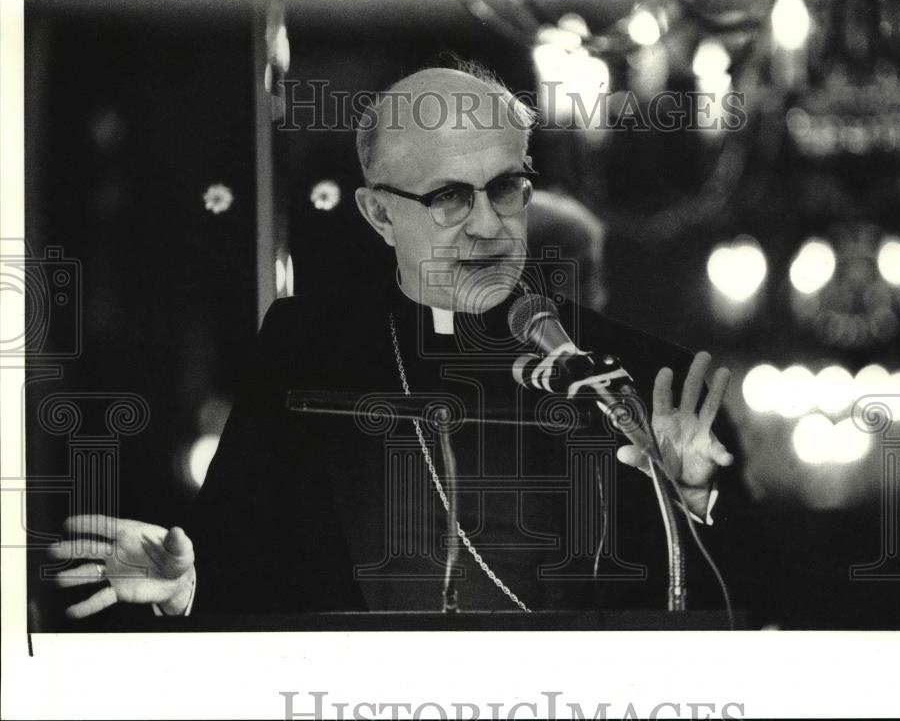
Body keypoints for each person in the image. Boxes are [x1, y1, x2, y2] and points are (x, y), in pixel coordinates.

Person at [49, 63, 741, 619]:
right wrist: (188, 588)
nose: (485, 225)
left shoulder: (639, 377)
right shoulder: (303, 350)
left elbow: (744, 615)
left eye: (506, 188)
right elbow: (243, 568)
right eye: (448, 197)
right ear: (380, 214)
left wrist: (691, 501)